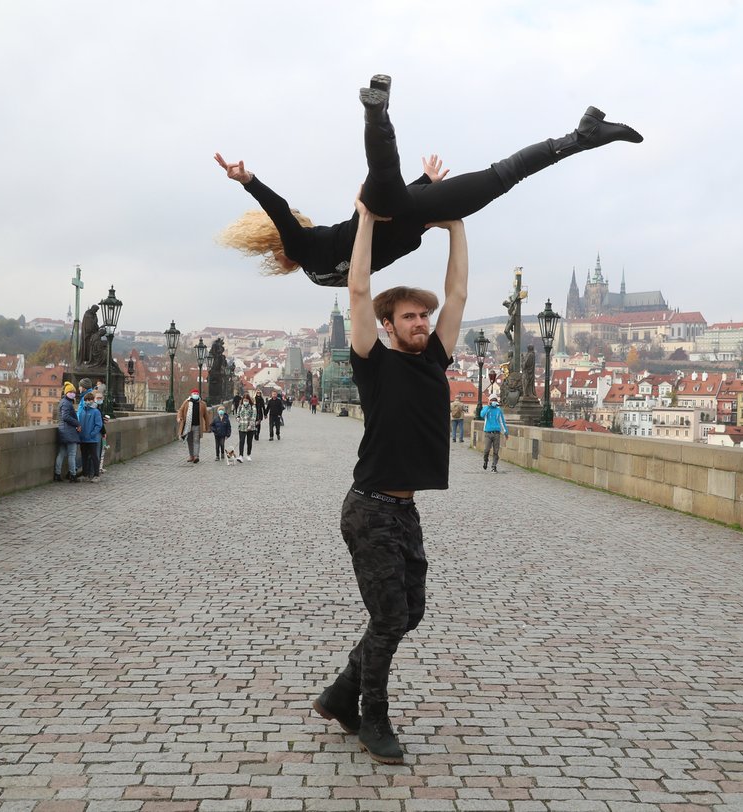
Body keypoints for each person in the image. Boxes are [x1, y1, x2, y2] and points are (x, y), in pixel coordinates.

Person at [215, 75, 641, 287]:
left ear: (278, 251)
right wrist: (425, 185)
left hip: (382, 212)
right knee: (503, 176)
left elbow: (279, 209)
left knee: (385, 172)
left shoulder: (301, 248)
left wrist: (248, 180)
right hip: (415, 213)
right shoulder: (312, 269)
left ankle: (376, 111)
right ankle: (583, 136)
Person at [311, 192, 468, 766]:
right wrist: (368, 224)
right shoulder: (373, 361)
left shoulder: (434, 358)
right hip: (370, 507)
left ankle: (338, 694)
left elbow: (458, 294)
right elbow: (355, 289)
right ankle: (371, 718)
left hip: (403, 510)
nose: (422, 322)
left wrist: (454, 226)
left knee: (412, 612)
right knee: (390, 618)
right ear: (388, 325)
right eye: (410, 317)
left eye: (423, 316)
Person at [53, 382, 81, 482]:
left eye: (74, 391)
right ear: (66, 392)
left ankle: (57, 474)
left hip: (63, 431)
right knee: (72, 455)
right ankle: (73, 475)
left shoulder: (63, 402)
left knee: (61, 453)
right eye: (71, 391)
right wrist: (77, 423)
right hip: (69, 432)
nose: (73, 393)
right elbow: (65, 417)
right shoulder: (66, 403)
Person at [177, 389, 210, 463]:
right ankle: (191, 456)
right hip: (188, 425)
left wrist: (207, 426)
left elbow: (206, 416)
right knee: (190, 441)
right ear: (191, 394)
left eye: (196, 393)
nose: (195, 394)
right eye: (194, 393)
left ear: (198, 395)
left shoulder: (202, 404)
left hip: (197, 426)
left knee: (196, 441)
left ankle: (196, 456)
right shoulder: (187, 402)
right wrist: (179, 418)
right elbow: (180, 410)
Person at [77, 390, 103, 481]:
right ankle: (85, 474)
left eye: (90, 400)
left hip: (92, 439)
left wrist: (92, 434)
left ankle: (96, 475)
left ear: (92, 400)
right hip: (83, 438)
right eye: (86, 400)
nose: (88, 401)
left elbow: (98, 425)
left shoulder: (96, 411)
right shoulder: (82, 411)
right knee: (84, 457)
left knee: (94, 457)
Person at [480, 396, 509, 472]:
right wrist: (488, 406)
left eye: (495, 400)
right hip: (488, 433)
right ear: (489, 401)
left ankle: (494, 466)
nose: (494, 402)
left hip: (496, 433)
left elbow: (502, 422)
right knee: (486, 450)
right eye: (492, 400)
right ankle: (485, 460)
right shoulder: (487, 409)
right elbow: (482, 415)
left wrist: (506, 432)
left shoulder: (498, 410)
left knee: (496, 451)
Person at [235, 395, 257, 462]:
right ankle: (241, 455)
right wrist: (237, 418)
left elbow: (254, 417)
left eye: (247, 400)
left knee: (249, 442)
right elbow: (237, 414)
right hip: (242, 426)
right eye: (244, 400)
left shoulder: (253, 407)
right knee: (241, 441)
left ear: (249, 400)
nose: (245, 402)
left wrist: (251, 425)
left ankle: (248, 455)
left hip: (250, 427)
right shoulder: (240, 406)